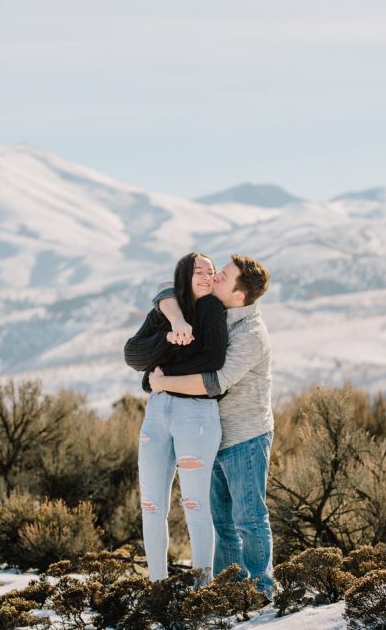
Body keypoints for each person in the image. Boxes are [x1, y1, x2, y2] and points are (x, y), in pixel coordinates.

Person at [147, 254, 274, 597]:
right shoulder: (211, 310)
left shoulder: (250, 334)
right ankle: (227, 591)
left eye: (222, 277)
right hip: (211, 435)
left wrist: (163, 383)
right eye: (216, 272)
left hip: (245, 436)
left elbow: (215, 382)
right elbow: (164, 288)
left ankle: (262, 591)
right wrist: (174, 316)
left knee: (248, 518)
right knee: (221, 522)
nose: (213, 277)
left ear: (239, 296)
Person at [123, 252, 228, 582]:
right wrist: (167, 335)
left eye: (212, 272)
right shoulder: (167, 310)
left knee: (195, 504)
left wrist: (164, 373)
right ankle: (157, 586)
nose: (207, 276)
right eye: (199, 270)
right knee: (152, 506)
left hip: (195, 413)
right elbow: (133, 353)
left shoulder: (211, 308)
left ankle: (203, 589)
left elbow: (213, 358)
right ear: (184, 275)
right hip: (157, 412)